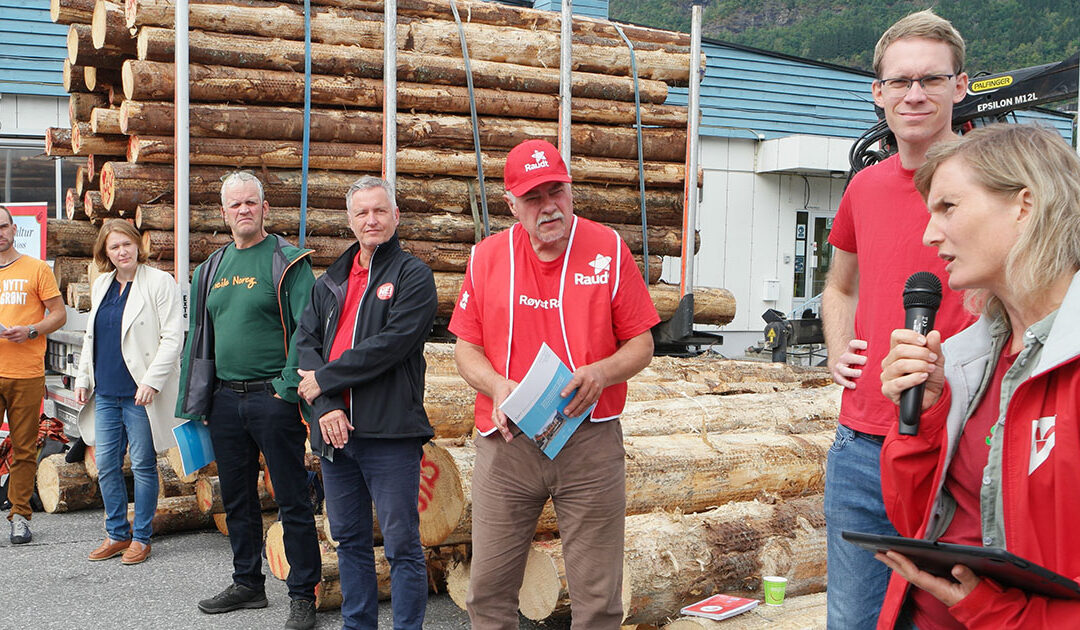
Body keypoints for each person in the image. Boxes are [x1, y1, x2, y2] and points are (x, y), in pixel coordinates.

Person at [876, 123, 1080, 629]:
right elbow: (917, 522)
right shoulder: (966, 357)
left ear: (1024, 206)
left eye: (948, 207)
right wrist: (924, 419)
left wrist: (996, 613)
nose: (929, 235)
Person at [450, 139, 660, 629]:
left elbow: (642, 343)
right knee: (488, 593)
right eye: (533, 197)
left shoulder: (608, 249)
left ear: (570, 190)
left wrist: (601, 373)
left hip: (589, 440)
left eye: (556, 192)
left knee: (598, 598)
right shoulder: (486, 257)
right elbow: (465, 349)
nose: (548, 207)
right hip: (507, 442)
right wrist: (496, 384)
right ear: (511, 204)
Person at [821, 10, 976, 628]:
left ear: (959, 86)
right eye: (900, 81)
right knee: (853, 619)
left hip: (962, 439)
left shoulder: (996, 183)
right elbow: (839, 286)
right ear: (877, 92)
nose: (915, 94)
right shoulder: (864, 187)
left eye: (931, 79)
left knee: (952, 615)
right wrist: (840, 346)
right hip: (862, 445)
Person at [175, 171, 320, 630]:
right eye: (235, 204)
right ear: (224, 213)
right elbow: (200, 337)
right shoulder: (209, 270)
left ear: (265, 209)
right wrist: (199, 398)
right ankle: (248, 583)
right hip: (225, 401)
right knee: (237, 498)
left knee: (292, 499)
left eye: (251, 203)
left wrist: (285, 389)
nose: (243, 210)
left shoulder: (288, 262)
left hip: (272, 400)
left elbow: (308, 329)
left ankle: (304, 594)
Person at [293, 176, 438, 629]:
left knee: (401, 545)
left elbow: (391, 345)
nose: (371, 220)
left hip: (390, 433)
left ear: (396, 215)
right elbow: (305, 345)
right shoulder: (330, 281)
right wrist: (326, 405)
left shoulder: (413, 276)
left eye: (379, 210)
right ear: (350, 220)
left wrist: (324, 380)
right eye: (362, 212)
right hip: (336, 435)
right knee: (350, 541)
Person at [74, 220, 184, 565]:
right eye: (114, 247)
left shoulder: (160, 282)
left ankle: (141, 538)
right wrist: (82, 378)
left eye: (126, 244)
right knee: (107, 464)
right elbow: (91, 337)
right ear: (105, 253)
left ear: (138, 245)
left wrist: (152, 381)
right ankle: (117, 534)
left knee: (142, 465)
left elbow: (172, 338)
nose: (122, 252)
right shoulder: (102, 284)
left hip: (140, 392)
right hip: (106, 391)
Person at [0, 207, 66, 544]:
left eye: (2, 226)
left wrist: (31, 330)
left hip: (25, 372)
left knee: (24, 448)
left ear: (14, 229)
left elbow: (59, 314)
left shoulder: (37, 268)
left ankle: (20, 516)